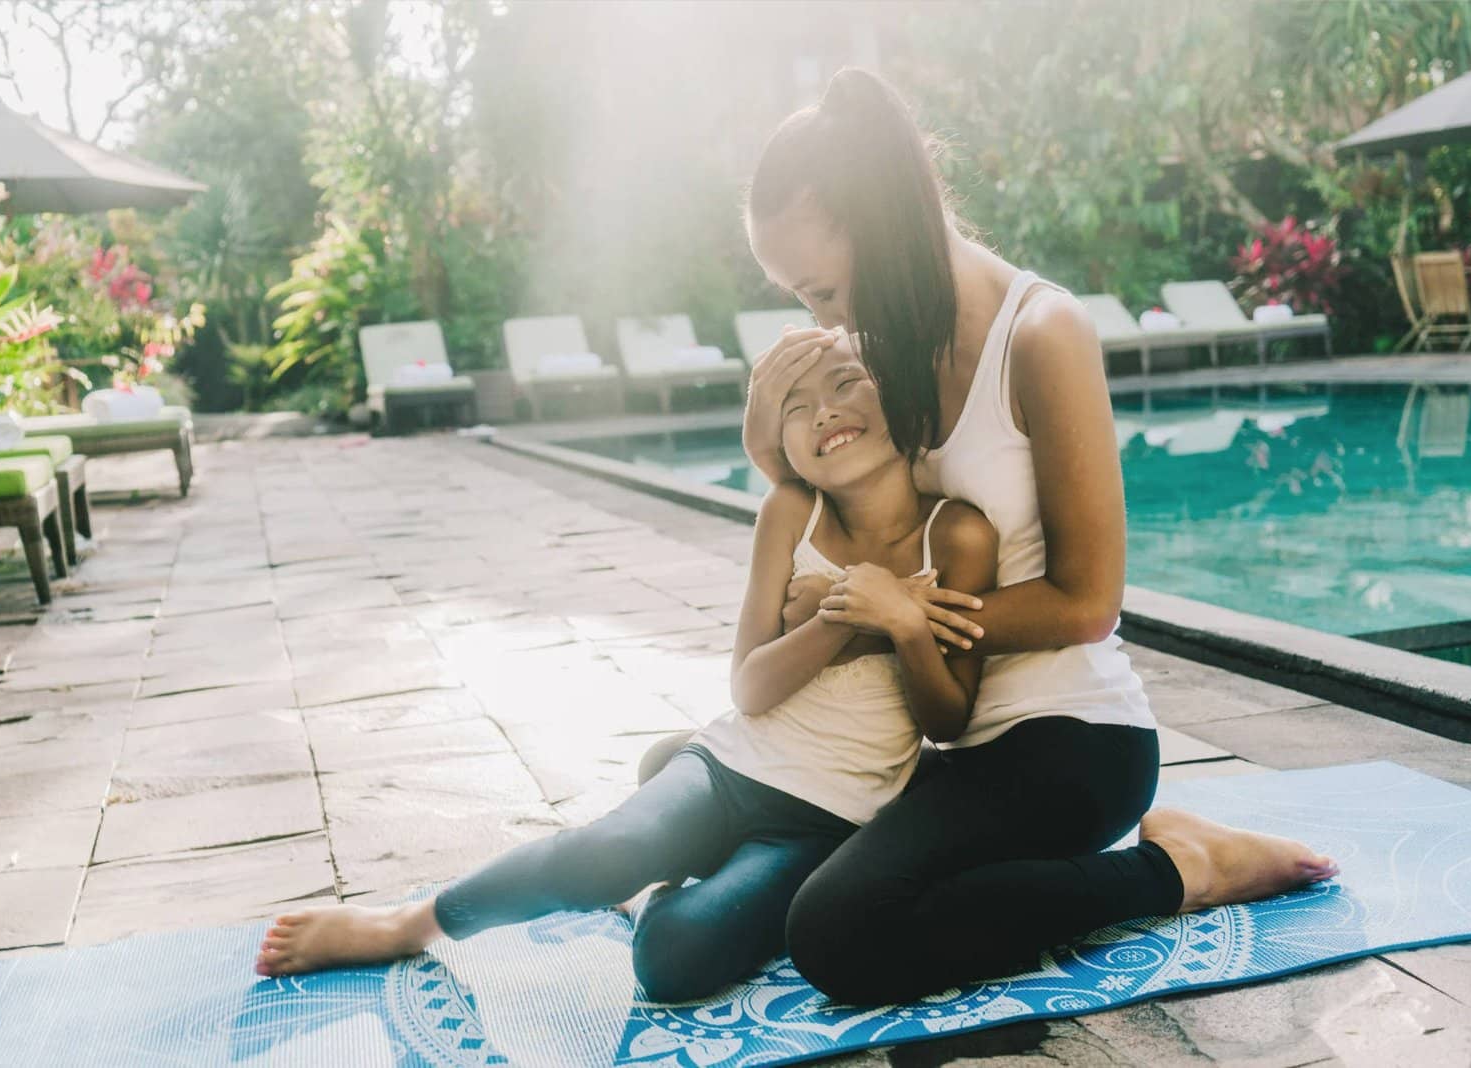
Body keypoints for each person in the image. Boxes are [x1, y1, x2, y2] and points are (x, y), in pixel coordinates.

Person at [643, 66, 1337, 1006]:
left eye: (823, 289)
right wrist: (764, 434)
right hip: (949, 734)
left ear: (880, 228)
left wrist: (901, 616)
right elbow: (839, 506)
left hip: (1070, 741)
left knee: (839, 934)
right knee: (687, 777)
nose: (822, 319)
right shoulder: (888, 339)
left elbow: (1089, 603)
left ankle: (1183, 868)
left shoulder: (1043, 332)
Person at [253, 340, 1000, 1003]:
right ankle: (406, 924)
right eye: (795, 408)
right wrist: (843, 617)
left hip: (830, 820)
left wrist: (903, 624)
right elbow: (750, 687)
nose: (825, 412)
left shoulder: (957, 534)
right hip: (731, 764)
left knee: (673, 963)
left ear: (896, 393)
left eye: (845, 383)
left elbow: (947, 721)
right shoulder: (789, 513)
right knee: (607, 852)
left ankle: (663, 881)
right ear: (786, 452)